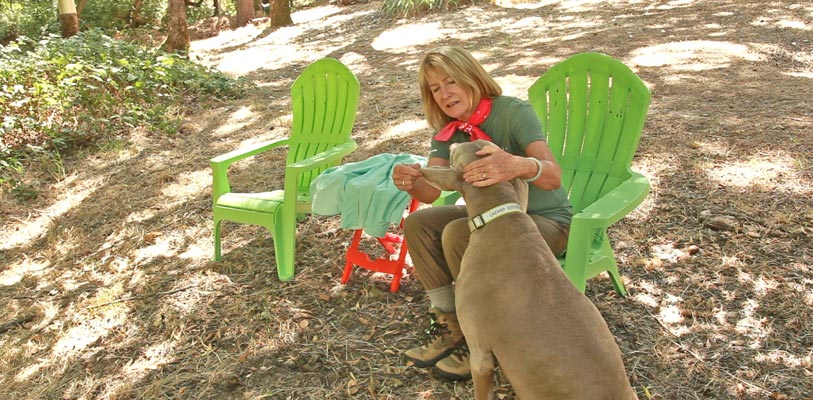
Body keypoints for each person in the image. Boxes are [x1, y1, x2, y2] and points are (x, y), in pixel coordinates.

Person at [391, 46, 573, 381]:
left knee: (459, 233)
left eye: (451, 82)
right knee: (419, 223)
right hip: (490, 221)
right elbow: (431, 193)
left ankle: (487, 341)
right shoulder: (448, 132)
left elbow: (552, 176)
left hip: (544, 222)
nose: (444, 94)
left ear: (472, 77)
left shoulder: (513, 113)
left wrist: (515, 165)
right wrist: (410, 181)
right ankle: (452, 323)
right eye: (434, 88)